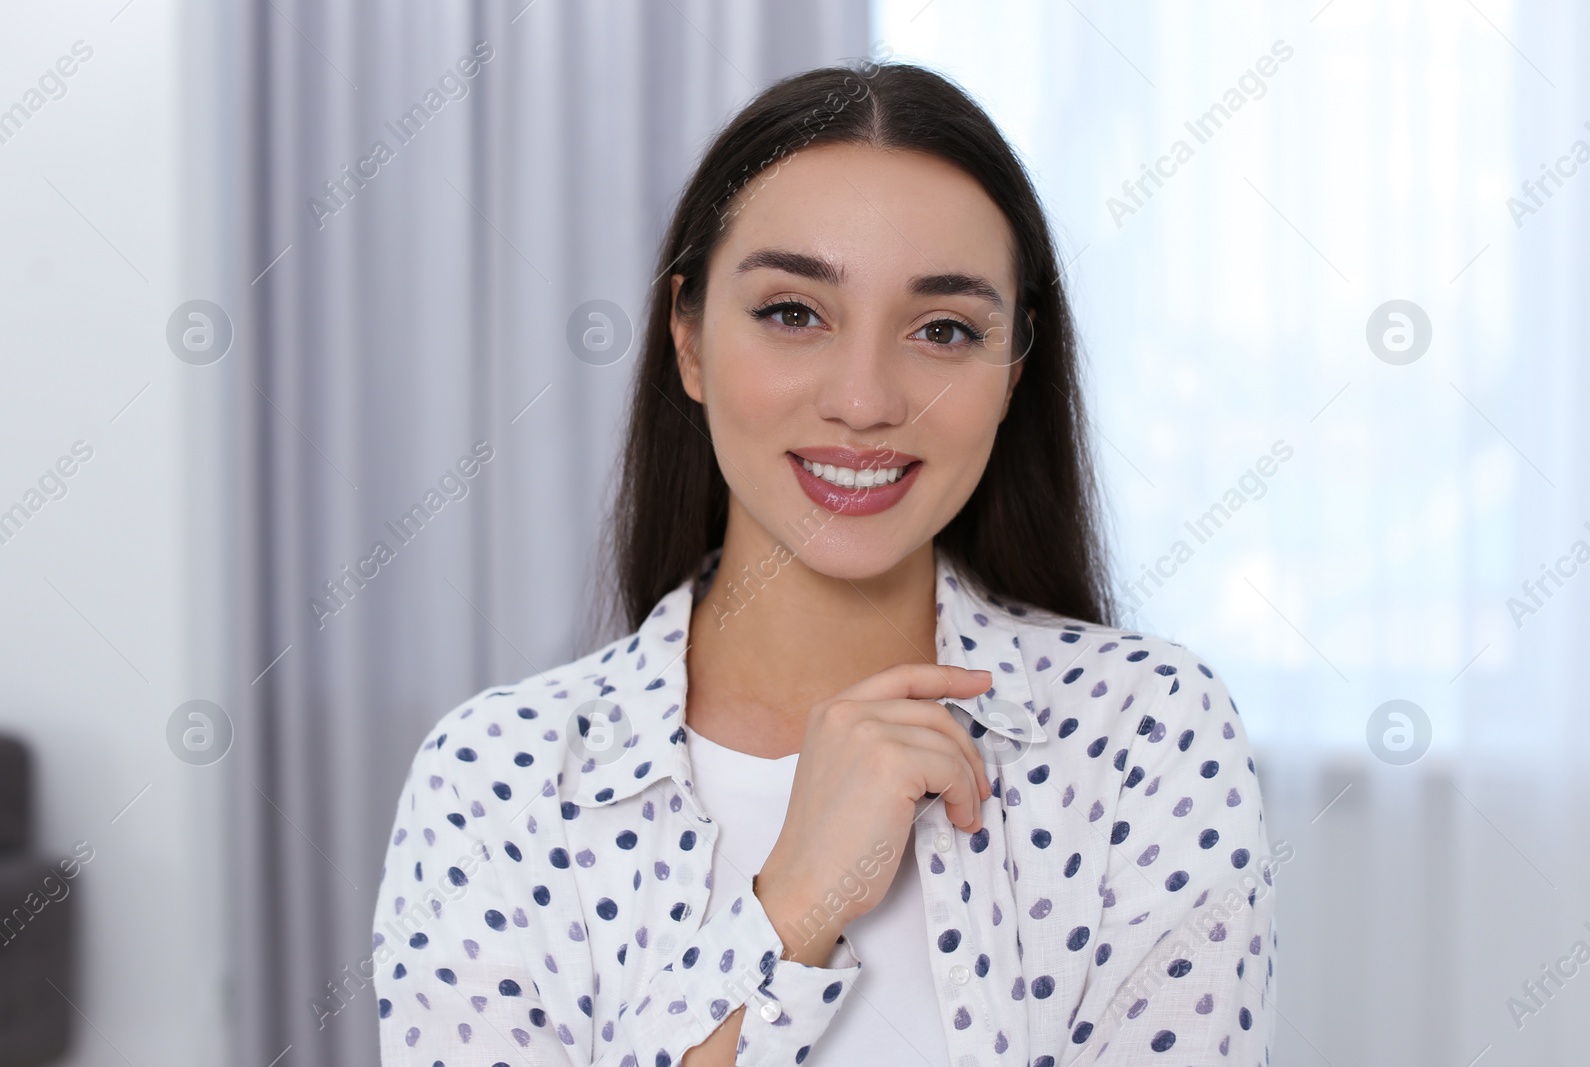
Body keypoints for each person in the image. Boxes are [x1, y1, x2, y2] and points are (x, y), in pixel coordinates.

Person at [373, 60, 1278, 1067]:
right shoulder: (497, 778)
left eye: (943, 329)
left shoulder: (1141, 735)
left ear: (1014, 369)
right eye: (793, 312)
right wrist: (796, 903)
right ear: (688, 339)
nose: (864, 398)